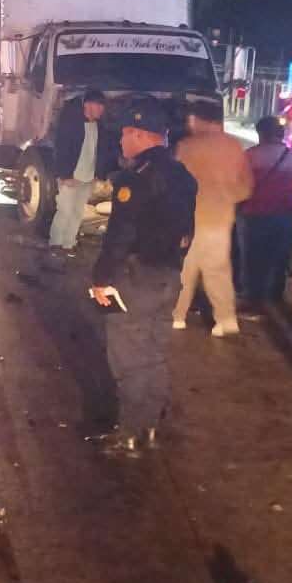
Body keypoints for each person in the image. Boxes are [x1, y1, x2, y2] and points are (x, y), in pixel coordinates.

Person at [87, 98, 199, 456]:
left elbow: (121, 234)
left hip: (136, 278)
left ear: (138, 134)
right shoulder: (183, 176)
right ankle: (149, 426)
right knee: (153, 354)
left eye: (124, 134)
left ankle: (129, 434)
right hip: (169, 276)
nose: (120, 141)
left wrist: (101, 278)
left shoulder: (135, 179)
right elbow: (187, 232)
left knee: (129, 359)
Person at [172, 102, 254, 336]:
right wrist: (227, 197)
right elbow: (246, 186)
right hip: (221, 218)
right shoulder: (234, 146)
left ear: (198, 120)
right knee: (217, 270)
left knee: (185, 269)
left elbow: (176, 184)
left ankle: (178, 315)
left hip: (191, 219)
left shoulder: (187, 146)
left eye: (191, 119)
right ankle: (226, 319)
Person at [235, 116, 292, 311]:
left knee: (251, 259)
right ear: (281, 134)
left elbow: (237, 184)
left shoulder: (249, 156)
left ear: (261, 133)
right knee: (278, 258)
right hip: (284, 216)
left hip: (253, 215)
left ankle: (251, 299)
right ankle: (275, 298)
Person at [47, 89, 118, 261]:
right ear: (88, 105)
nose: (101, 109)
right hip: (71, 177)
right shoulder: (72, 124)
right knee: (64, 210)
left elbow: (100, 152)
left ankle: (69, 244)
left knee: (77, 212)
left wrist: (98, 174)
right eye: (98, 105)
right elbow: (62, 149)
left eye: (102, 106)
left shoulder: (99, 127)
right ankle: (56, 244)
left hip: (88, 177)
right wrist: (64, 175)